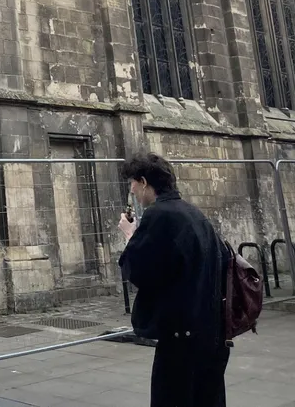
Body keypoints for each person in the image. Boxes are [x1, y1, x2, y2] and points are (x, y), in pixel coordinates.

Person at [118, 153, 229, 406]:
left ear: (144, 182)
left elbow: (140, 272)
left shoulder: (159, 215)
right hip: (211, 332)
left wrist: (130, 236)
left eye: (132, 183)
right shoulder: (193, 212)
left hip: (182, 337)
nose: (132, 190)